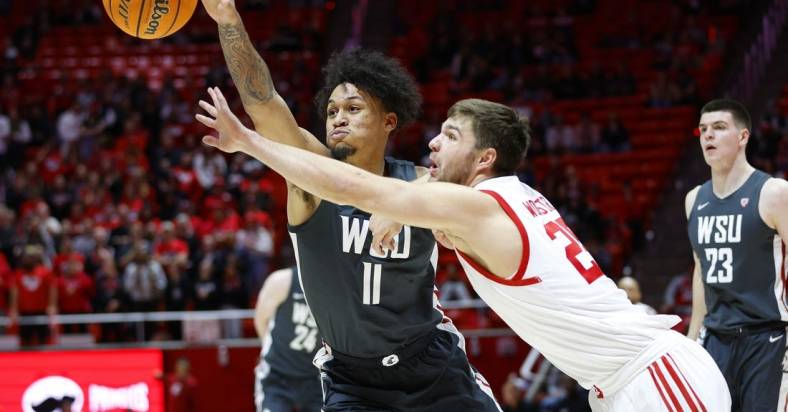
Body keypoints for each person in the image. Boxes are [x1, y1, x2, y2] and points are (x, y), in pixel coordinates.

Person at [195, 90, 731, 411]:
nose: (432, 143)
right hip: (620, 385)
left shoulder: (482, 208)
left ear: (484, 158)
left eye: (450, 136)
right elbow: (406, 189)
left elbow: (356, 188)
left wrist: (250, 143)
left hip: (652, 374)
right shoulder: (500, 200)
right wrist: (414, 197)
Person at [194, 0, 500, 410]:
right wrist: (228, 20)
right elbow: (263, 102)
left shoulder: (419, 180)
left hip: (433, 366)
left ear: (389, 122)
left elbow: (483, 181)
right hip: (353, 382)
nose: (338, 117)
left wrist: (411, 200)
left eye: (354, 108)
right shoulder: (310, 177)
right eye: (332, 109)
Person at [685, 98, 788, 411]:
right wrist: (691, 338)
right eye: (703, 130)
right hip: (716, 339)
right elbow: (701, 270)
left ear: (743, 136)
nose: (708, 136)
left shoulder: (773, 192)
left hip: (767, 338)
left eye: (719, 128)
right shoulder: (693, 199)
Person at [253, 266, 321, 412]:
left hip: (315, 377)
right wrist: (269, 349)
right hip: (277, 374)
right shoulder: (282, 281)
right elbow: (260, 319)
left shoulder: (337, 288)